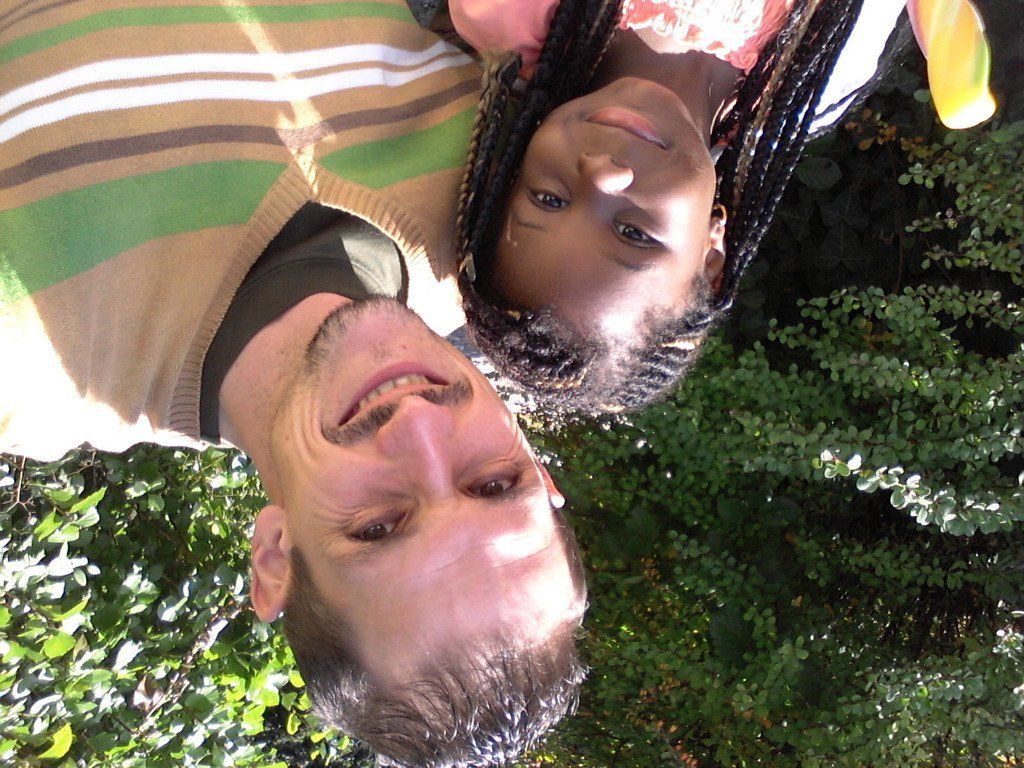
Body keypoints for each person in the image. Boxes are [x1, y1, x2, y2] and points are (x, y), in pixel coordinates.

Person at [0, 2, 587, 765]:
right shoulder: (514, 195)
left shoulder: (29, 360)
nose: (417, 427)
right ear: (541, 472)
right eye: (495, 483)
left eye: (378, 525)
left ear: (276, 557)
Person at [452, 0, 912, 413]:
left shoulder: (509, 14)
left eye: (549, 199)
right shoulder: (814, 76)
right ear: (711, 255)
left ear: (506, 176)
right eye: (634, 233)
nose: (603, 174)